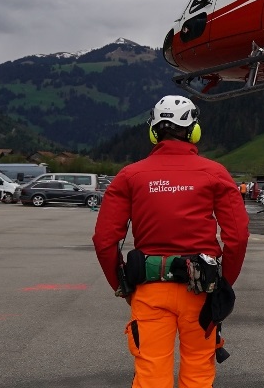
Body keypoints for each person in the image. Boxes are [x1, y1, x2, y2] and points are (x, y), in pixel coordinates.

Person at [93, 95, 249, 388]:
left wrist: (123, 286)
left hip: (149, 291)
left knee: (151, 376)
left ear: (153, 131)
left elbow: (104, 240)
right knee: (199, 375)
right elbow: (237, 237)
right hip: (201, 292)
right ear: (194, 131)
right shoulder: (215, 173)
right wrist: (223, 283)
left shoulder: (129, 175)